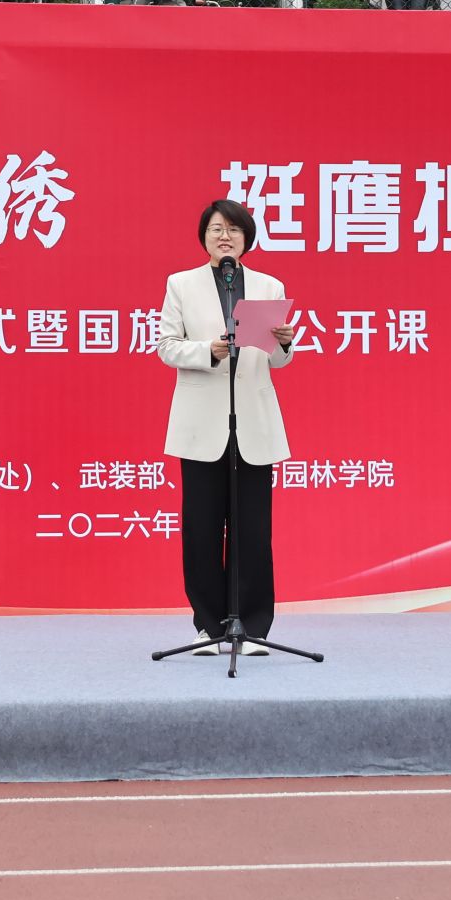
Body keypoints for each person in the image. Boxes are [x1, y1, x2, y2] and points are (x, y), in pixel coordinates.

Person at [157, 199, 296, 657]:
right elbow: (167, 347)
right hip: (201, 422)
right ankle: (208, 625)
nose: (225, 237)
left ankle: (252, 626)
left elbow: (276, 360)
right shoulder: (181, 284)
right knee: (201, 529)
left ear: (246, 239)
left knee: (252, 530)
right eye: (216, 229)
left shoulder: (268, 286)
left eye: (234, 230)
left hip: (251, 420)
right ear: (204, 237)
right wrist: (208, 351)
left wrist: (284, 343)